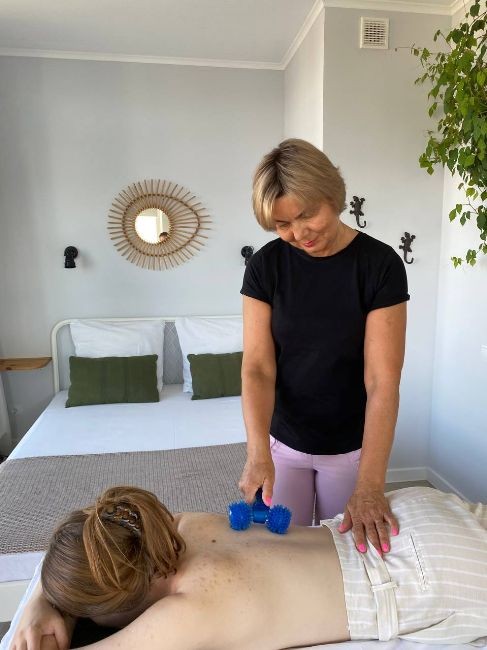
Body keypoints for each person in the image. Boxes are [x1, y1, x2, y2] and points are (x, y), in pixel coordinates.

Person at [9, 485, 487, 650]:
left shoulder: (187, 613)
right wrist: (45, 597)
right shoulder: (182, 526)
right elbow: (94, 536)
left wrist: (45, 606)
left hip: (429, 575)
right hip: (405, 517)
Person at [239, 138, 409, 554]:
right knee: (283, 552)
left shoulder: (380, 265)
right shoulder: (265, 266)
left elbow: (382, 381)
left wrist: (370, 485)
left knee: (349, 555)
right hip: (284, 442)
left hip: (350, 448)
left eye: (306, 215)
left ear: (333, 196)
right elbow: (258, 367)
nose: (298, 234)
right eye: (282, 224)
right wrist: (258, 453)